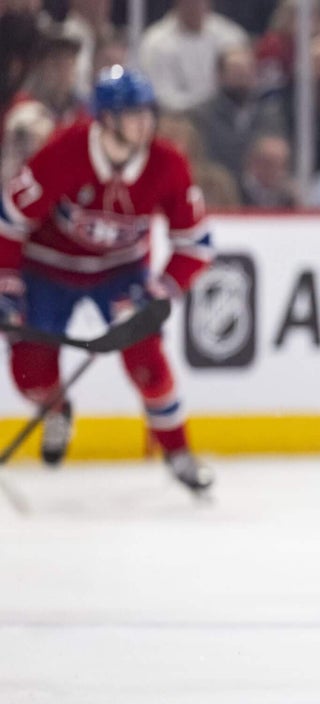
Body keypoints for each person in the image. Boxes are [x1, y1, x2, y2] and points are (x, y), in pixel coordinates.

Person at [0, 67, 215, 493]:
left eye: (147, 112)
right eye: (132, 113)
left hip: (120, 274)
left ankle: (178, 452)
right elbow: (10, 220)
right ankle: (57, 411)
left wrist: (160, 291)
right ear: (106, 119)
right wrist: (7, 283)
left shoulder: (167, 163)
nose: (145, 123)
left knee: (147, 361)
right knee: (30, 371)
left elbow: (196, 244)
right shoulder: (64, 150)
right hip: (46, 269)